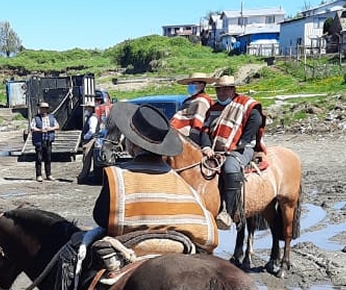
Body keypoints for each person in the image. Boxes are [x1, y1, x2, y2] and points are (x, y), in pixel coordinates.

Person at [92, 102, 218, 254]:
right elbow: (208, 237)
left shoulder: (117, 177)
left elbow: (100, 218)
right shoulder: (184, 185)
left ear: (131, 144)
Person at [198, 75, 265, 229]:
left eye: (225, 90)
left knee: (230, 168)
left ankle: (230, 211)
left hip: (242, 148)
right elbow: (205, 129)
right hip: (216, 149)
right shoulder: (213, 109)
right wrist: (206, 146)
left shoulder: (245, 104)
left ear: (233, 90)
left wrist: (241, 142)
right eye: (218, 90)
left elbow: (256, 120)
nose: (221, 93)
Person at [170, 72, 215, 138]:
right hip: (178, 132)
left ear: (202, 85)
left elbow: (198, 120)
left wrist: (194, 135)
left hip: (188, 136)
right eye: (190, 83)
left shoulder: (202, 100)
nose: (191, 86)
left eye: (194, 83)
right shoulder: (188, 101)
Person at [29, 102, 60, 182]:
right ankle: (39, 175)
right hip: (39, 141)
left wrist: (50, 129)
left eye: (44, 108)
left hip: (48, 141)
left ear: (47, 109)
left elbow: (57, 126)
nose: (42, 110)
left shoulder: (51, 117)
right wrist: (40, 130)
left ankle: (48, 174)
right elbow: (32, 128)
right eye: (41, 108)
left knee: (48, 158)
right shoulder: (36, 118)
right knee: (39, 158)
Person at [77, 102, 99, 184]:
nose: (85, 109)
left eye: (86, 108)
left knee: (86, 159)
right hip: (90, 139)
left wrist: (85, 137)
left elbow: (92, 130)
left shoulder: (92, 118)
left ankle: (83, 177)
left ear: (91, 108)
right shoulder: (91, 117)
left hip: (90, 140)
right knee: (86, 159)